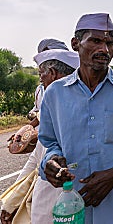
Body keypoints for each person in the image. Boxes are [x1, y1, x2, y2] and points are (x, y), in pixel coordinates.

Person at [38, 13, 113, 223]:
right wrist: (51, 161)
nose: (104, 49)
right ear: (75, 44)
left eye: (110, 43)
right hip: (76, 210)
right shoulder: (55, 94)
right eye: (96, 41)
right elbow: (51, 143)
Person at [1, 47, 79, 224]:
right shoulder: (49, 110)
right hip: (45, 202)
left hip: (68, 203)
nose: (41, 82)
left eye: (41, 76)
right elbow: (35, 160)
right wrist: (12, 202)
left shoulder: (83, 112)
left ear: (53, 74)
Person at [27, 39, 70, 125]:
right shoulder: (40, 90)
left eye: (41, 73)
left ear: (52, 72)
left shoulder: (74, 91)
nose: (40, 79)